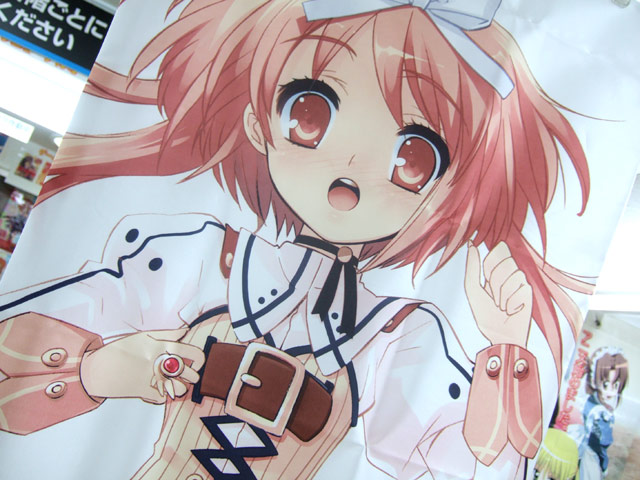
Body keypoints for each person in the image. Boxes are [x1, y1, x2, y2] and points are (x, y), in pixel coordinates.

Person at [0, 0, 593, 478]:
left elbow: (463, 463)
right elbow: (17, 360)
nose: (348, 177)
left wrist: (506, 349)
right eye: (311, 113)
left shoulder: (401, 336)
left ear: (445, 193)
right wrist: (102, 370)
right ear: (259, 121)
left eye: (413, 157)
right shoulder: (191, 259)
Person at [575, 347, 628, 480]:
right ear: (594, 381)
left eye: (615, 386)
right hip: (589, 456)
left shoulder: (589, 401)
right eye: (605, 384)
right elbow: (602, 444)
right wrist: (603, 466)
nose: (610, 391)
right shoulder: (602, 414)